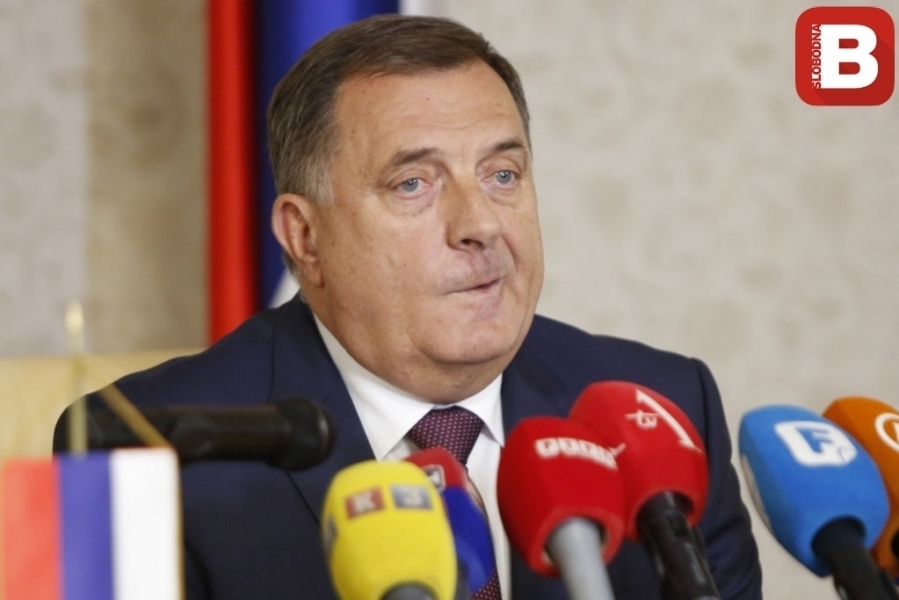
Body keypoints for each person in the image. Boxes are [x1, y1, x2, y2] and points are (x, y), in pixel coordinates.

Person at [58, 14, 761, 600]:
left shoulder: (662, 412)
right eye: (413, 184)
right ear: (305, 238)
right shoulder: (151, 451)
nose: (480, 225)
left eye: (503, 174)